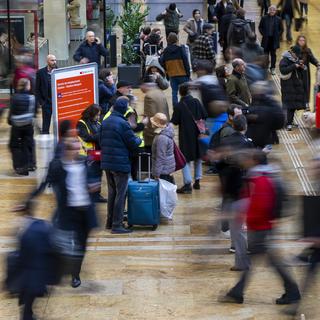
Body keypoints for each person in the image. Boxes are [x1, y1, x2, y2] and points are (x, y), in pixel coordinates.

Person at [220, 149, 301, 305]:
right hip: (260, 227)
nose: (244, 160)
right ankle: (238, 292)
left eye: (248, 158)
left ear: (255, 161)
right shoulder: (257, 177)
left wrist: (247, 218)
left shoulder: (261, 180)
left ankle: (292, 290)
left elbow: (261, 206)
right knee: (267, 260)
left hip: (260, 228)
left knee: (264, 260)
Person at [22, 138, 98, 288]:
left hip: (84, 211)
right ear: (66, 150)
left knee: (81, 246)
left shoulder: (84, 161)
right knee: (62, 244)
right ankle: (61, 267)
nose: (77, 151)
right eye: (73, 149)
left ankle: (75, 274)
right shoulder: (56, 166)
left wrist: (93, 185)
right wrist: (28, 200)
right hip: (67, 211)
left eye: (78, 148)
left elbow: (93, 178)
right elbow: (44, 184)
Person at [6, 207, 57, 320]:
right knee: (29, 300)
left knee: (28, 300)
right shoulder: (40, 225)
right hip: (34, 274)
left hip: (30, 273)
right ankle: (27, 315)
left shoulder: (26, 230)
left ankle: (28, 314)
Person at [100, 97, 142, 233]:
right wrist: (139, 139)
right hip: (120, 164)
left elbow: (100, 140)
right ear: (124, 109)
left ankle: (109, 222)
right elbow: (132, 143)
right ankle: (117, 225)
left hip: (107, 163)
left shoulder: (105, 122)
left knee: (112, 193)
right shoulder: (123, 123)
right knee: (121, 194)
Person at [171, 83, 207, 193]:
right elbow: (204, 115)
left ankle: (187, 184)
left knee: (185, 159)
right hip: (198, 134)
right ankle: (197, 181)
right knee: (198, 157)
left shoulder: (179, 105)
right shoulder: (196, 102)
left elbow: (175, 121)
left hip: (185, 136)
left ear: (180, 93)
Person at [77, 104, 107, 203]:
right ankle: (87, 196)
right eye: (97, 115)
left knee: (98, 174)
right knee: (88, 175)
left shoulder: (97, 123)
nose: (98, 117)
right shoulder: (81, 123)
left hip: (98, 153)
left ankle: (96, 195)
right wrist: (100, 135)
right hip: (88, 154)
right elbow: (86, 137)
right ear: (91, 113)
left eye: (99, 115)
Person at [8, 78, 36, 176]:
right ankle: (31, 165)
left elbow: (11, 113)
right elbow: (34, 112)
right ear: (27, 86)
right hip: (28, 125)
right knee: (28, 145)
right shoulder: (32, 98)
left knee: (15, 146)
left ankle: (19, 167)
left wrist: (10, 122)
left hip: (16, 126)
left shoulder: (14, 97)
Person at [279, 45, 306, 130]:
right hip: (288, 86)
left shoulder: (296, 59)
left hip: (295, 86)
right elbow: (283, 70)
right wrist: (295, 66)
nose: (297, 56)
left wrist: (301, 67)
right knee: (289, 106)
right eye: (296, 54)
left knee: (293, 105)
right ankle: (288, 124)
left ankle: (290, 122)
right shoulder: (284, 59)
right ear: (292, 52)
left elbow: (300, 70)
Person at [160, 32, 190, 106]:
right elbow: (185, 61)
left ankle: (176, 109)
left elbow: (161, 61)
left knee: (174, 92)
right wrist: (188, 73)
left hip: (172, 75)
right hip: (183, 73)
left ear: (168, 40)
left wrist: (167, 70)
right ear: (176, 39)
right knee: (185, 93)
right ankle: (185, 107)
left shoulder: (166, 50)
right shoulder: (181, 48)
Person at [141, 76, 170, 152]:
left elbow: (150, 116)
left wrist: (147, 132)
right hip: (164, 127)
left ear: (145, 85)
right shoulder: (160, 92)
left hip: (154, 133)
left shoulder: (148, 96)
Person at [295, 35, 320, 110]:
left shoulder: (307, 50)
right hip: (297, 73)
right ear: (297, 41)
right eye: (300, 40)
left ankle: (306, 104)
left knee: (306, 88)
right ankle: (297, 104)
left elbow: (312, 59)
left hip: (305, 73)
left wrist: (318, 64)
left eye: (303, 40)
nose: (302, 42)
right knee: (298, 88)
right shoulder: (294, 50)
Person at [150, 113, 175, 183]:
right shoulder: (165, 133)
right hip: (167, 169)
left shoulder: (162, 138)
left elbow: (160, 157)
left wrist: (156, 174)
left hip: (163, 171)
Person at [259, 5, 283, 75]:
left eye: (273, 10)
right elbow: (260, 27)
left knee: (273, 55)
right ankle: (265, 68)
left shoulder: (278, 19)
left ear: (275, 11)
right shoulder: (264, 18)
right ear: (269, 10)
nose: (272, 11)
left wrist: (277, 35)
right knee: (265, 54)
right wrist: (263, 34)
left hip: (274, 40)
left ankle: (272, 68)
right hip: (266, 39)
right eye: (271, 9)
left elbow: (281, 29)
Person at [35, 54, 57, 134]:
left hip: (57, 103)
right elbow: (37, 89)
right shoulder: (40, 73)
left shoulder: (59, 71)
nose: (54, 62)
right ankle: (45, 141)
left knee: (58, 124)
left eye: (55, 60)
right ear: (47, 61)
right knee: (46, 126)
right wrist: (41, 102)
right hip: (46, 103)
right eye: (52, 60)